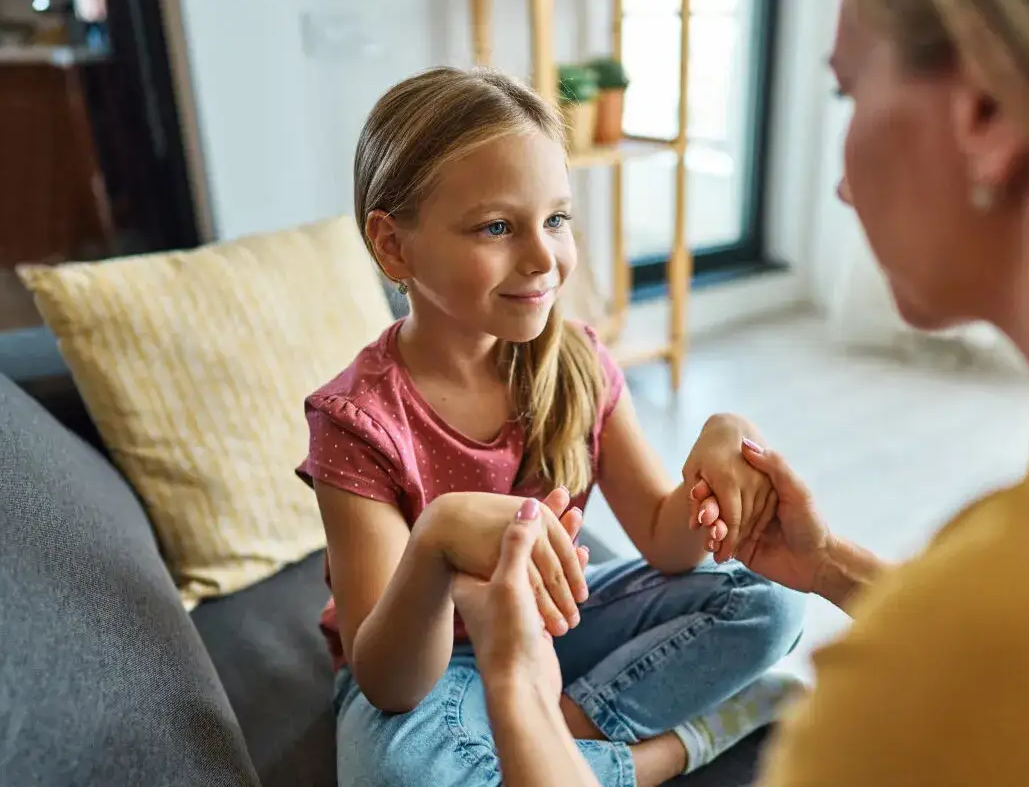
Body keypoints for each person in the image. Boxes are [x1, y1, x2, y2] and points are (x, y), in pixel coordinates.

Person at [451, 0, 1029, 784]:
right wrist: (830, 566)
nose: (841, 182)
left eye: (849, 92)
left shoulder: (938, 664)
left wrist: (516, 682)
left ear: (985, 108)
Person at [294, 66, 807, 787]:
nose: (543, 259)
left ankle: (547, 741)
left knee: (767, 600)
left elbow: (668, 541)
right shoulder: (356, 423)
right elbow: (390, 683)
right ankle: (663, 752)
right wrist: (438, 539)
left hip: (560, 630)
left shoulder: (578, 365)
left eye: (557, 219)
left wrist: (719, 452)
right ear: (393, 247)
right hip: (437, 663)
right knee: (399, 774)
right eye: (498, 227)